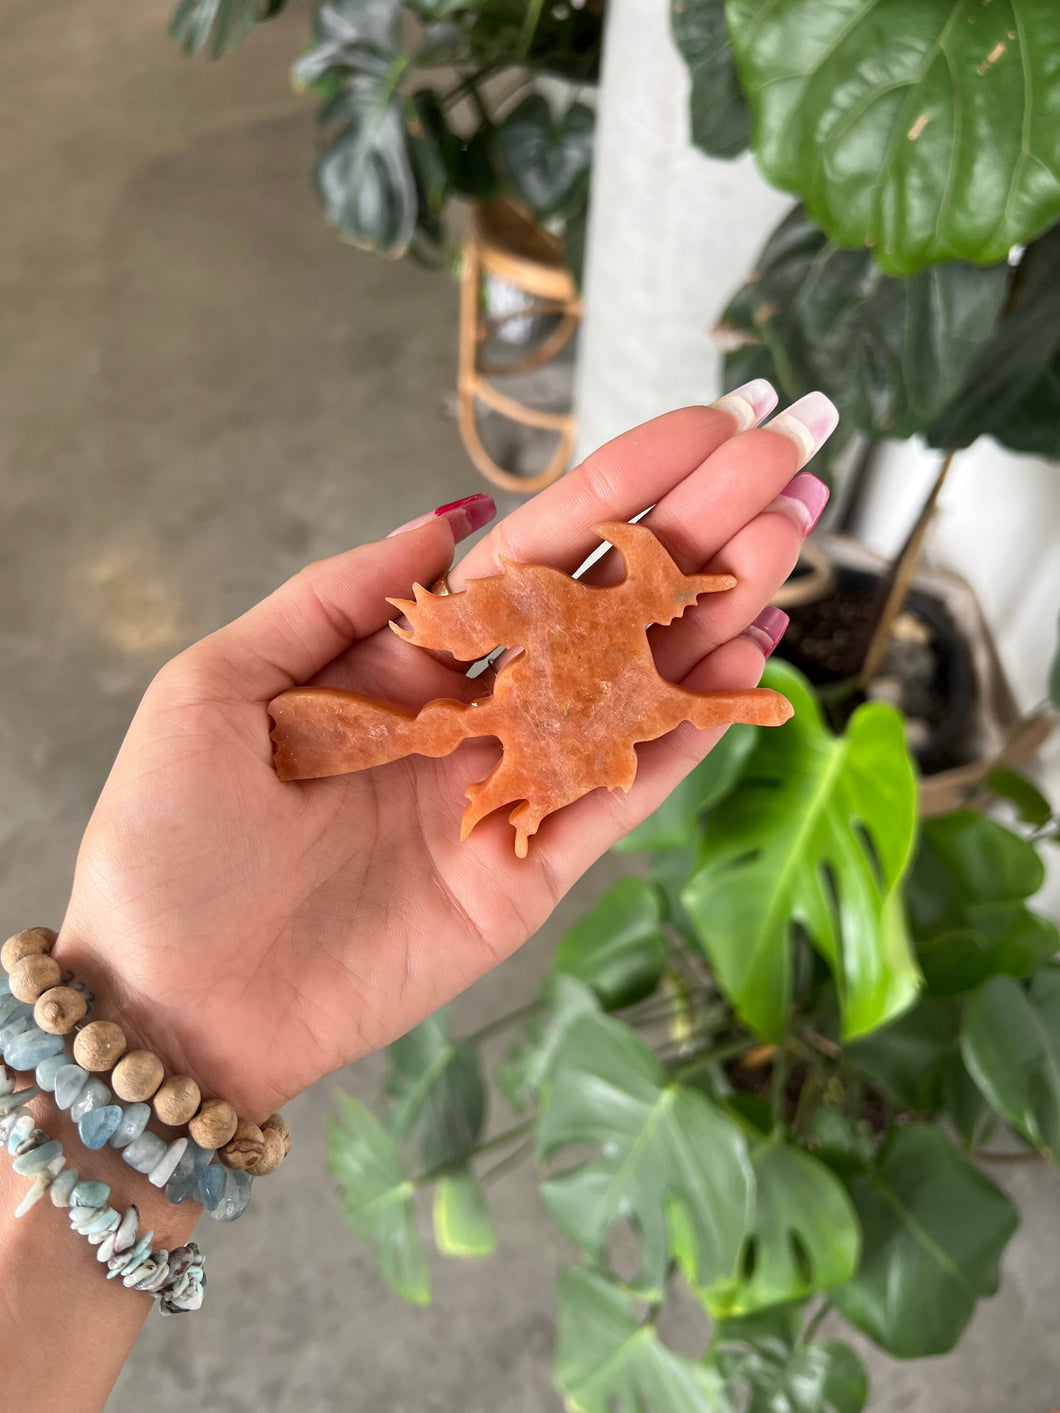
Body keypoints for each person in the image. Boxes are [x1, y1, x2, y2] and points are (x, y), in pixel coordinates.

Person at [0, 383, 836, 1410]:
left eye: (670, 596)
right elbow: (593, 669)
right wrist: (150, 1015)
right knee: (452, 731)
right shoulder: (564, 608)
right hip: (510, 739)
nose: (667, 605)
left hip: (530, 753)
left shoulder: (594, 634)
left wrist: (729, 696)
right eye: (666, 590)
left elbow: (657, 700)